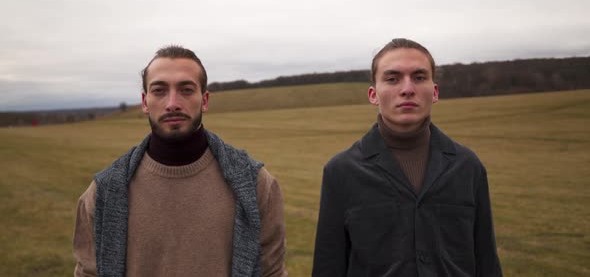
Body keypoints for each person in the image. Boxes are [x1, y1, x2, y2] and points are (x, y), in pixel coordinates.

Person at [73, 46, 287, 277]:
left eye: (186, 90)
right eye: (159, 90)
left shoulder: (256, 184)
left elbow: (272, 273)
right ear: (145, 102)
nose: (173, 103)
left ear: (204, 100)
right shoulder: (103, 192)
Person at [312, 38, 502, 276]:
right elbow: (328, 266)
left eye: (419, 77)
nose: (407, 89)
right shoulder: (341, 171)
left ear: (434, 91)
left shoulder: (467, 166)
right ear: (373, 94)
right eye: (392, 79)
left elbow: (486, 261)